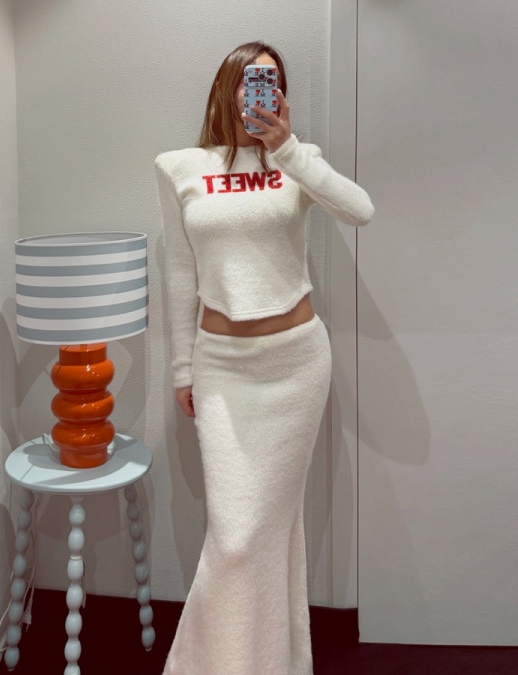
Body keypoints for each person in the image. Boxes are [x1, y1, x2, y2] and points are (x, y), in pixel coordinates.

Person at [155, 41, 373, 675]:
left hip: (296, 364)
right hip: (222, 368)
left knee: (270, 529)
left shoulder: (296, 160)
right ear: (228, 86)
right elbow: (180, 274)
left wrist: (288, 149)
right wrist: (181, 369)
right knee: (236, 536)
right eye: (253, 80)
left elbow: (360, 211)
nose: (264, 91)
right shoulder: (180, 167)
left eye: (275, 82)